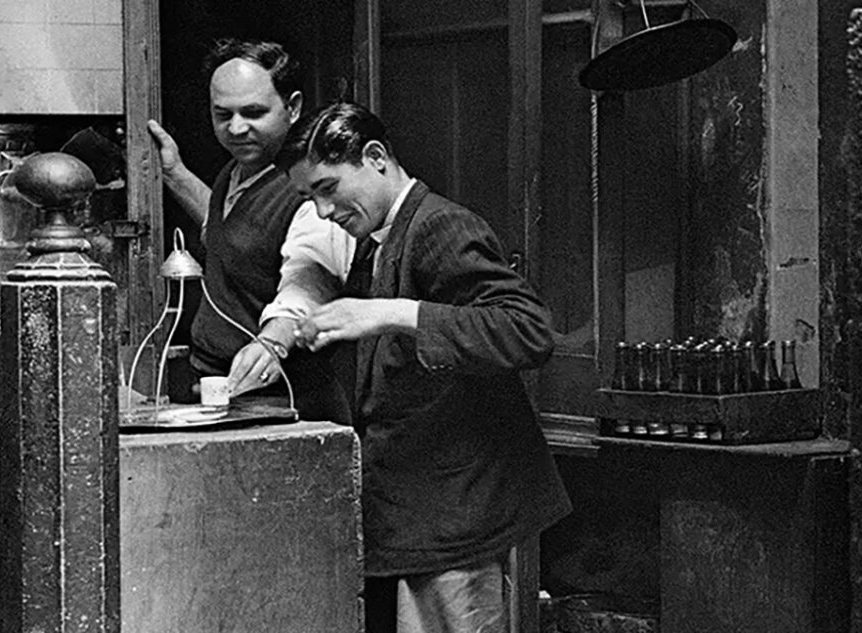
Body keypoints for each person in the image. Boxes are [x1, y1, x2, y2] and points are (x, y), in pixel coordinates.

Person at [277, 101, 571, 633]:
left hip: (460, 519)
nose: (322, 212)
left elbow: (529, 331)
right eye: (309, 197)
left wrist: (388, 312)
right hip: (421, 516)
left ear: (375, 158)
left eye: (327, 188)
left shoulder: (442, 226)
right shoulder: (381, 238)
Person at [147, 39, 355, 422]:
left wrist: (274, 342)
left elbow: (309, 282)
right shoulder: (237, 170)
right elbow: (230, 237)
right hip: (220, 388)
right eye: (222, 115)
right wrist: (175, 174)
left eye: (254, 113)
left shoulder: (311, 185)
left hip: (284, 399)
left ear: (292, 107)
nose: (236, 128)